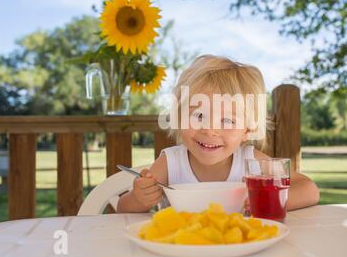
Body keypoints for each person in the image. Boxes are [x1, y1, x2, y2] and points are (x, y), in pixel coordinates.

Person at [117, 55, 319, 213]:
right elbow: (122, 209)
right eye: (199, 115)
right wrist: (138, 198)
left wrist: (272, 200)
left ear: (248, 129)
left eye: (227, 121)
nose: (210, 130)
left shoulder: (252, 162)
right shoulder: (170, 162)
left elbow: (309, 189)